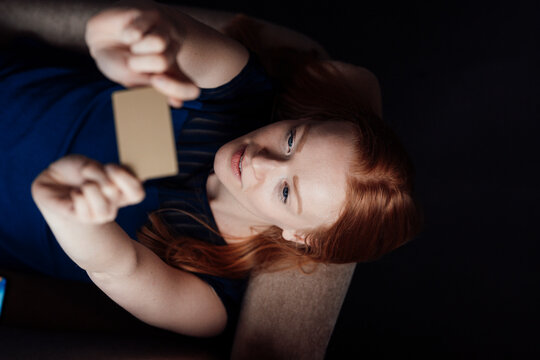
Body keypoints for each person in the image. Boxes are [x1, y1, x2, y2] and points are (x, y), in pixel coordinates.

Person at [0, 1, 421, 337]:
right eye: (292, 140)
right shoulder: (240, 95)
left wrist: (69, 215)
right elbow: (170, 33)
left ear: (301, 238)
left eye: (286, 192)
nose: (259, 161)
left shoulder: (212, 294)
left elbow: (118, 268)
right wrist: (132, 34)